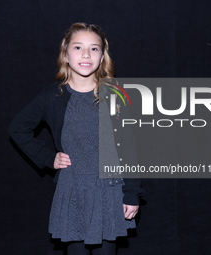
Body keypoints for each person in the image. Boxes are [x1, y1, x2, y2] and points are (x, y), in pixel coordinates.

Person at [9, 23, 143, 255]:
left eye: (94, 49)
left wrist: (131, 192)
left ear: (102, 57)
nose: (85, 54)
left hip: (109, 190)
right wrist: (48, 158)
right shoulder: (53, 96)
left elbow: (128, 147)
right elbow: (18, 128)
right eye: (78, 47)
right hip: (73, 190)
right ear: (66, 54)